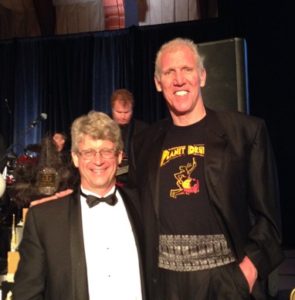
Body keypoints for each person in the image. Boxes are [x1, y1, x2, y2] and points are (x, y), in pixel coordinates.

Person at [128, 37, 284, 300]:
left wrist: (247, 271)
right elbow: (129, 206)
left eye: (187, 70)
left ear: (202, 76)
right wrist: (71, 196)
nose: (179, 80)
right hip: (165, 286)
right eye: (169, 72)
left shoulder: (245, 132)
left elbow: (268, 219)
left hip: (226, 282)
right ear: (158, 82)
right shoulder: (142, 143)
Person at [13, 111, 145, 300]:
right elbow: (26, 295)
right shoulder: (45, 219)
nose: (98, 160)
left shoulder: (144, 206)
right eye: (88, 152)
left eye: (106, 151)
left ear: (119, 156)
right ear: (75, 157)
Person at [111, 88, 149, 163]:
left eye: (126, 112)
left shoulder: (143, 130)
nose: (123, 116)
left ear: (132, 110)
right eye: (119, 112)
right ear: (112, 109)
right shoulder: (103, 128)